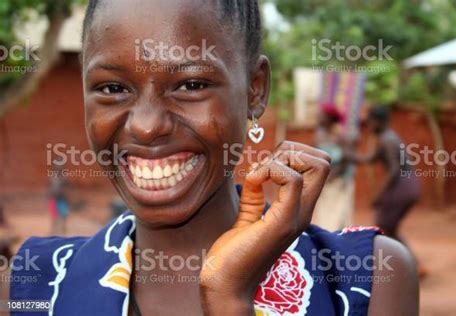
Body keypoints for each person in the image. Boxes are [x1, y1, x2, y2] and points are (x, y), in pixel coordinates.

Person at [6, 1, 418, 315]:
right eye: (113, 88)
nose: (147, 126)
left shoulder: (363, 279)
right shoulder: (33, 287)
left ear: (254, 89)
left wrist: (228, 297)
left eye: (190, 83)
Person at [347, 106, 424, 276]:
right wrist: (349, 155)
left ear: (378, 121)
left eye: (370, 122)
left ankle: (406, 267)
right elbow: (370, 158)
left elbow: (394, 169)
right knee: (389, 227)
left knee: (384, 225)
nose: (369, 126)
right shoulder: (387, 137)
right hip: (408, 185)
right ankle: (413, 265)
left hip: (402, 186)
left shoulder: (387, 139)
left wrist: (379, 194)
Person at [312, 103, 355, 230]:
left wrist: (334, 177)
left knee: (338, 217)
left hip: (339, 184)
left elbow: (347, 160)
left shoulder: (341, 138)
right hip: (323, 184)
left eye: (322, 116)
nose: (318, 118)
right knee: (324, 217)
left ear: (330, 119)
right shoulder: (318, 138)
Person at [47, 164, 70, 235]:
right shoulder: (53, 178)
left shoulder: (64, 178)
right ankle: (53, 231)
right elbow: (50, 188)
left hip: (62, 199)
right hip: (54, 198)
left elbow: (68, 189)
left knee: (64, 215)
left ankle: (63, 231)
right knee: (54, 216)